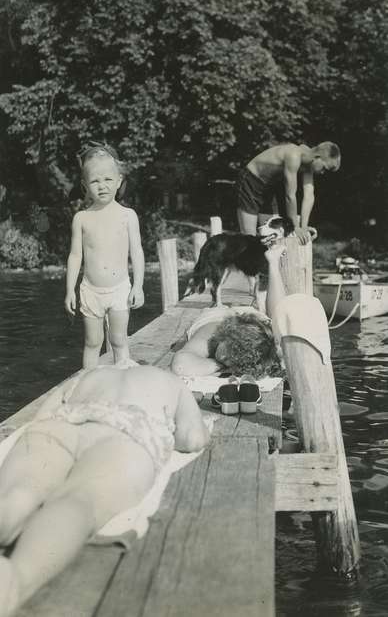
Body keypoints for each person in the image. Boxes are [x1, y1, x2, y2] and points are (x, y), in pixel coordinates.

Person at [0, 364, 210, 615]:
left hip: (65, 420)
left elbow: (43, 415)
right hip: (130, 429)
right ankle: (15, 581)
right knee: (78, 499)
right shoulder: (172, 382)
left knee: (22, 492)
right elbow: (193, 439)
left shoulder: (91, 373)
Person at [65, 142, 145, 368]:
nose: (102, 186)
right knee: (92, 342)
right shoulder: (81, 218)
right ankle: (89, 383)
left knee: (118, 339)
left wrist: (138, 286)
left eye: (108, 179)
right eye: (95, 181)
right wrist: (69, 290)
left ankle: (122, 381)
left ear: (119, 181)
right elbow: (75, 256)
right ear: (84, 185)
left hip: (119, 289)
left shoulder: (128, 216)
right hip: (90, 290)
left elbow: (136, 252)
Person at [171, 245, 286, 379]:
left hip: (253, 321)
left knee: (278, 329)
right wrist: (223, 365)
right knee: (279, 325)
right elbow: (180, 366)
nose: (223, 357)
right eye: (228, 351)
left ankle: (273, 261)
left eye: (230, 358)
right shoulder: (211, 333)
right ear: (227, 336)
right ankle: (273, 263)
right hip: (215, 316)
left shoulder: (253, 350)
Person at [236, 141, 341, 244]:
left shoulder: (308, 162)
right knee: (248, 240)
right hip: (250, 182)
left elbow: (309, 196)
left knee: (271, 236)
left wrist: (303, 228)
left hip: (268, 188)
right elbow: (290, 196)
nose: (323, 173)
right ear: (317, 157)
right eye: (324, 168)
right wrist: (295, 227)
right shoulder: (294, 155)